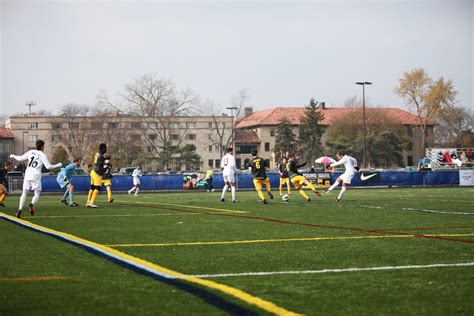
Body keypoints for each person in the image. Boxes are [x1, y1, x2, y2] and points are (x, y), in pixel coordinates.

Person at [10, 139, 62, 218]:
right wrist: (58, 165)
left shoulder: (31, 152)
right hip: (36, 175)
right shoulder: (42, 155)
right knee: (37, 193)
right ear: (42, 147)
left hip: (28, 175)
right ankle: (32, 204)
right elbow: (48, 166)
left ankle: (20, 209)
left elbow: (20, 158)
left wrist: (13, 156)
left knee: (24, 193)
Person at [86, 143, 107, 208]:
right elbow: (100, 167)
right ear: (103, 148)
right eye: (105, 148)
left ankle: (88, 202)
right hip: (97, 173)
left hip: (93, 171)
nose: (106, 150)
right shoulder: (101, 156)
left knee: (92, 188)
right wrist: (105, 168)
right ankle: (91, 202)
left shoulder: (97, 154)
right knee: (97, 188)